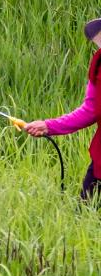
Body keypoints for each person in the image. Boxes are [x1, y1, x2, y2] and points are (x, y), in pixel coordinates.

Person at [25, 18, 101, 199]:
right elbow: (90, 110)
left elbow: (90, 111)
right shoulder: (98, 66)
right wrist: (48, 126)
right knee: (85, 213)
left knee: (86, 215)